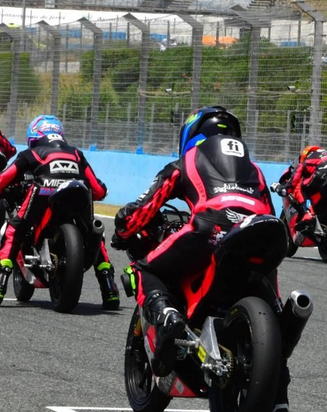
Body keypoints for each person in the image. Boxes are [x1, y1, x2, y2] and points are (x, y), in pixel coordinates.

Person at [112, 107, 276, 377]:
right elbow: (271, 215)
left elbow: (144, 208)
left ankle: (166, 316)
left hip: (210, 228)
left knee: (143, 269)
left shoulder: (187, 159)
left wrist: (122, 230)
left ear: (192, 135)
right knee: (269, 282)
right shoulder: (255, 169)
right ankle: (281, 330)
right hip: (260, 234)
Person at [0, 115, 115, 307]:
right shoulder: (76, 153)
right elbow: (98, 191)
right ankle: (110, 290)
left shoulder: (31, 153)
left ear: (34, 135)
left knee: (14, 230)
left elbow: (1, 181)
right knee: (94, 234)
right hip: (79, 191)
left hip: (43, 190)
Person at [274, 144, 327, 242]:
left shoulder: (309, 160)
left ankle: (307, 214)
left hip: (322, 174)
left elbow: (295, 178)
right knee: (326, 197)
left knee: (299, 187)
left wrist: (286, 189)